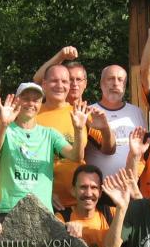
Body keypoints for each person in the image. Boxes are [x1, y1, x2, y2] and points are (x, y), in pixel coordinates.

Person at [0, 83, 86, 215]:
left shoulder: (50, 134)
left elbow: (76, 156)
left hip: (41, 210)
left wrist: (79, 130)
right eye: (26, 99)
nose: (31, 103)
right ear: (17, 100)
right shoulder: (3, 128)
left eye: (35, 100)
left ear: (40, 104)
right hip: (9, 208)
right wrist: (4, 124)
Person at [36, 63, 114, 209]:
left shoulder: (80, 113)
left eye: (64, 81)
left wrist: (105, 128)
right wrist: (43, 191)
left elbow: (109, 149)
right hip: (43, 200)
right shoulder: (32, 114)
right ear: (44, 84)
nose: (60, 85)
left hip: (78, 202)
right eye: (54, 81)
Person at [55, 164, 117, 247]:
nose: (88, 193)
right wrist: (65, 231)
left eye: (94, 187)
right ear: (73, 190)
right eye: (83, 187)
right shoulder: (62, 218)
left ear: (100, 192)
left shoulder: (111, 213)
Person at [85, 64, 147, 178]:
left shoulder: (137, 112)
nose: (115, 83)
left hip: (130, 182)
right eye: (110, 79)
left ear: (124, 85)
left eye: (120, 80)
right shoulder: (89, 112)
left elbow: (143, 150)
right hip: (96, 184)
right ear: (101, 84)